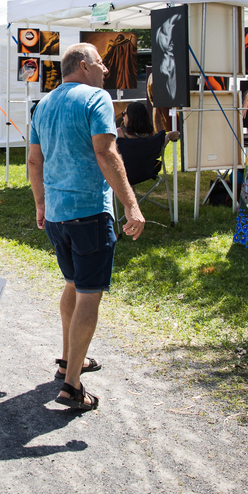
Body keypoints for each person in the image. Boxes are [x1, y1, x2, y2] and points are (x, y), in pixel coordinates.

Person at [27, 44, 145, 412]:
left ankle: (68, 361)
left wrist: (40, 203)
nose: (106, 69)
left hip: (57, 215)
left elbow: (34, 160)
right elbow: (106, 152)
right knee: (89, 294)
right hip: (89, 212)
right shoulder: (96, 98)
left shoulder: (43, 105)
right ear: (83, 65)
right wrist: (131, 204)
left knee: (72, 284)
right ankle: (72, 386)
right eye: (100, 63)